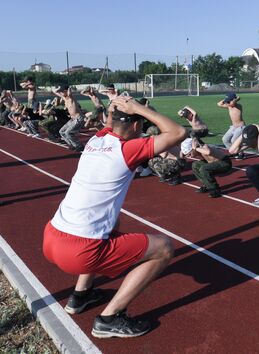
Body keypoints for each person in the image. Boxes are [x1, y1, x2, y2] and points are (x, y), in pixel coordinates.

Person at [43, 94, 186, 338]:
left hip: (51, 237)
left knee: (113, 222)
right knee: (164, 248)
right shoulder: (129, 149)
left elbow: (111, 124)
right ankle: (109, 318)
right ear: (134, 126)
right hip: (80, 251)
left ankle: (81, 295)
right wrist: (139, 108)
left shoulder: (96, 140)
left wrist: (119, 108)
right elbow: (177, 132)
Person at [52, 85, 85, 152]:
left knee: (68, 133)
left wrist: (68, 88)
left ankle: (79, 145)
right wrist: (59, 89)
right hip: (72, 119)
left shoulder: (70, 98)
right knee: (61, 132)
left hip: (78, 118)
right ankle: (72, 144)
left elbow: (69, 93)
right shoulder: (65, 98)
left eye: (62, 92)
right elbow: (54, 91)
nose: (61, 93)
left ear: (66, 91)